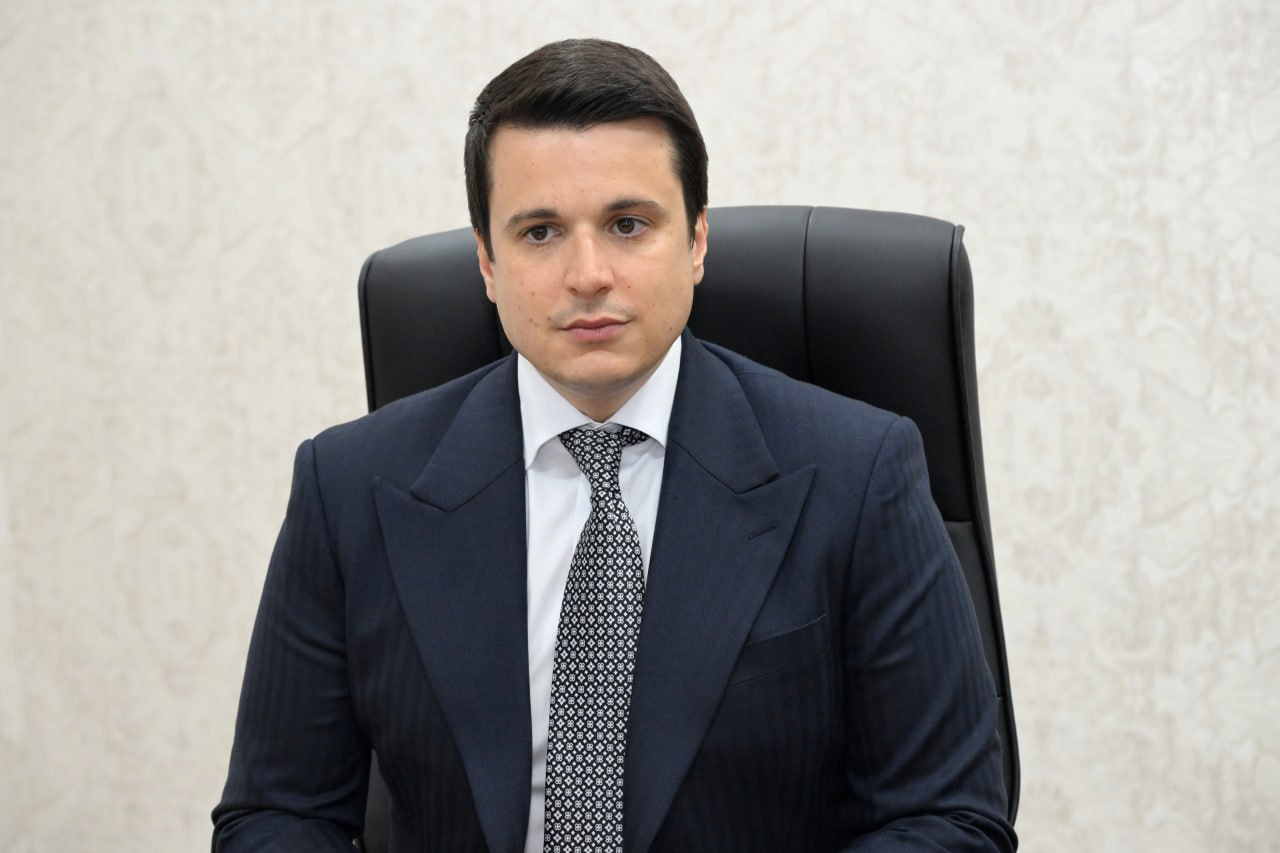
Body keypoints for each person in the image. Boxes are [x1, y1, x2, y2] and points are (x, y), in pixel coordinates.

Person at [213, 38, 1016, 852]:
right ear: (487, 261)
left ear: (696, 240)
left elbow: (948, 815)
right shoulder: (349, 486)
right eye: (540, 232)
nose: (588, 273)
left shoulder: (859, 472)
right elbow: (276, 814)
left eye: (628, 225)